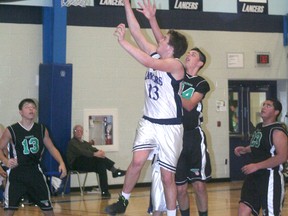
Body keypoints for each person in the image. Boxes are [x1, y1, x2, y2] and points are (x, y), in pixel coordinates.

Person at [105, 0, 188, 215]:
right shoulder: (159, 53)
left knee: (167, 177)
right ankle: (123, 202)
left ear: (169, 48)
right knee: (137, 162)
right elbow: (136, 30)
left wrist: (123, 43)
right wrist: (126, 5)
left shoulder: (175, 64)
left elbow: (149, 63)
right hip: (149, 121)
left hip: (170, 127)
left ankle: (171, 213)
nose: (159, 39)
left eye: (164, 40)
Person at [137, 1, 212, 216]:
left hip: (193, 136)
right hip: (174, 134)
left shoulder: (199, 82)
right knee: (179, 187)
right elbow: (163, 43)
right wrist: (151, 19)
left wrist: (175, 87)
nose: (189, 55)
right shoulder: (175, 70)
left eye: (194, 55)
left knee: (198, 185)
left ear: (200, 63)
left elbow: (188, 105)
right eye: (188, 53)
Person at [0, 98, 67, 216]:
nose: (31, 109)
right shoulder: (11, 130)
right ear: (20, 112)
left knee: (48, 208)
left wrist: (61, 162)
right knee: (9, 210)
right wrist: (5, 160)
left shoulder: (41, 129)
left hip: (35, 171)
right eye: (27, 107)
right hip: (17, 173)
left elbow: (51, 148)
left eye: (33, 107)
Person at [234, 98, 288, 216]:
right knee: (243, 210)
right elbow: (258, 145)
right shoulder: (259, 127)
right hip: (253, 177)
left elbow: (283, 157)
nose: (264, 107)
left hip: (270, 178)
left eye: (268, 105)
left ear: (276, 112)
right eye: (264, 104)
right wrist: (245, 149)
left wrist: (257, 166)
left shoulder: (278, 131)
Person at [66, 124, 126, 198]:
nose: (79, 132)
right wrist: (95, 154)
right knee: (98, 159)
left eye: (80, 130)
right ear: (73, 132)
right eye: (77, 130)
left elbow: (92, 149)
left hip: (85, 162)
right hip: (76, 163)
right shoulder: (72, 142)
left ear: (82, 132)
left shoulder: (84, 143)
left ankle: (104, 192)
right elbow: (82, 152)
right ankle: (114, 171)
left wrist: (100, 152)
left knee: (101, 166)